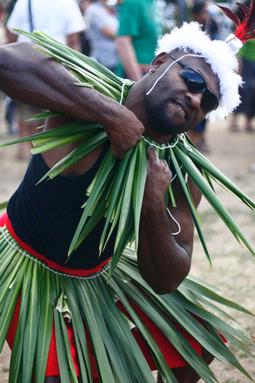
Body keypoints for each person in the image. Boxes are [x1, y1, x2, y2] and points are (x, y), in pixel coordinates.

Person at [0, 18, 251, 383]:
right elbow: (8, 62)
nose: (197, 98)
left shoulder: (179, 171)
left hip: (99, 275)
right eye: (193, 81)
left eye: (208, 101)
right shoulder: (85, 99)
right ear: (160, 63)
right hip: (25, 264)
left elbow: (167, 279)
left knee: (195, 338)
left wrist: (152, 206)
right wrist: (109, 114)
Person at [5, 0, 85, 159]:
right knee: (52, 110)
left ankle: (24, 147)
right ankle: (44, 152)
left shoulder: (25, 1)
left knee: (25, 106)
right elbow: (74, 41)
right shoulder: (68, 3)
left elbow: (11, 33)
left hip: (25, 62)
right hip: (55, 65)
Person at [187, 0, 220, 152]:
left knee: (206, 106)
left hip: (209, 75)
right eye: (204, 12)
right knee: (194, 107)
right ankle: (192, 141)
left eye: (207, 12)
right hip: (194, 75)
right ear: (196, 14)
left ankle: (201, 138)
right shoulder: (189, 31)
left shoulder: (212, 26)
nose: (207, 15)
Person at [116, 0, 159, 80]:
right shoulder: (133, 2)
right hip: (136, 75)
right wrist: (138, 81)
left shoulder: (154, 3)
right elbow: (123, 42)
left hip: (152, 73)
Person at [85, 0, 119, 72]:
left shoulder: (114, 8)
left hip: (117, 61)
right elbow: (112, 33)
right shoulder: (94, 10)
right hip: (102, 63)